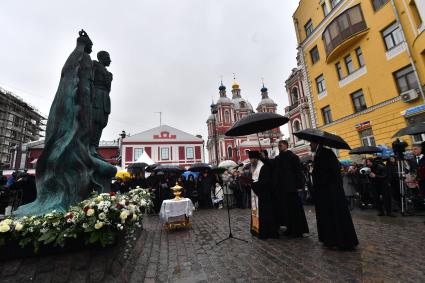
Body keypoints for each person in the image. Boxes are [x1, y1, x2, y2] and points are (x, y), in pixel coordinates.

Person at [310, 142, 358, 250]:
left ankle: (341, 240)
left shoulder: (325, 153)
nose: (310, 145)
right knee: (329, 216)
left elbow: (327, 172)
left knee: (336, 215)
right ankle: (331, 239)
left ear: (316, 143)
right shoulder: (320, 154)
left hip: (331, 192)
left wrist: (315, 173)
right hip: (327, 191)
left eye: (311, 144)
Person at [262, 140, 309, 237]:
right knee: (286, 210)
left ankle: (298, 230)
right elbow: (271, 164)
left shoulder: (293, 157)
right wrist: (264, 158)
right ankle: (289, 228)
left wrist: (299, 186)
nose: (279, 146)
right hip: (283, 188)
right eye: (278, 145)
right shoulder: (278, 158)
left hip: (292, 188)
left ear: (286, 145)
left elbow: (298, 172)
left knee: (295, 210)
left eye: (281, 145)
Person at [249, 151, 279, 239]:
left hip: (264, 195)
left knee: (264, 214)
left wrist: (253, 184)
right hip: (256, 194)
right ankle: (256, 230)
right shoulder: (254, 167)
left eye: (252, 159)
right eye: (250, 159)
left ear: (256, 158)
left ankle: (265, 232)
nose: (250, 161)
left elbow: (265, 181)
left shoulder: (263, 166)